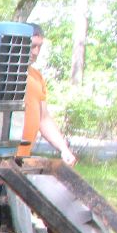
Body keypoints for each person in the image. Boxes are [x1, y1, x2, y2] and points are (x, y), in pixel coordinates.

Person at [19, 24, 76, 165]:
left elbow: (43, 119)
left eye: (39, 47)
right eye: (33, 46)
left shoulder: (37, 77)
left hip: (22, 158)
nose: (36, 52)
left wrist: (64, 149)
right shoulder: (1, 74)